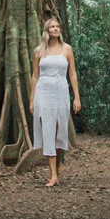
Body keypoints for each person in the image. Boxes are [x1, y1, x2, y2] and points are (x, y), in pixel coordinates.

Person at [30, 17, 81, 186]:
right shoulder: (39, 51)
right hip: (43, 91)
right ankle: (52, 175)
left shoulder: (67, 49)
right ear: (47, 30)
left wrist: (77, 97)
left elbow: (72, 74)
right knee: (48, 130)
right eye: (52, 26)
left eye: (57, 26)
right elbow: (35, 75)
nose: (55, 28)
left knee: (59, 131)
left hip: (61, 91)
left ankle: (56, 170)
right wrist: (32, 100)